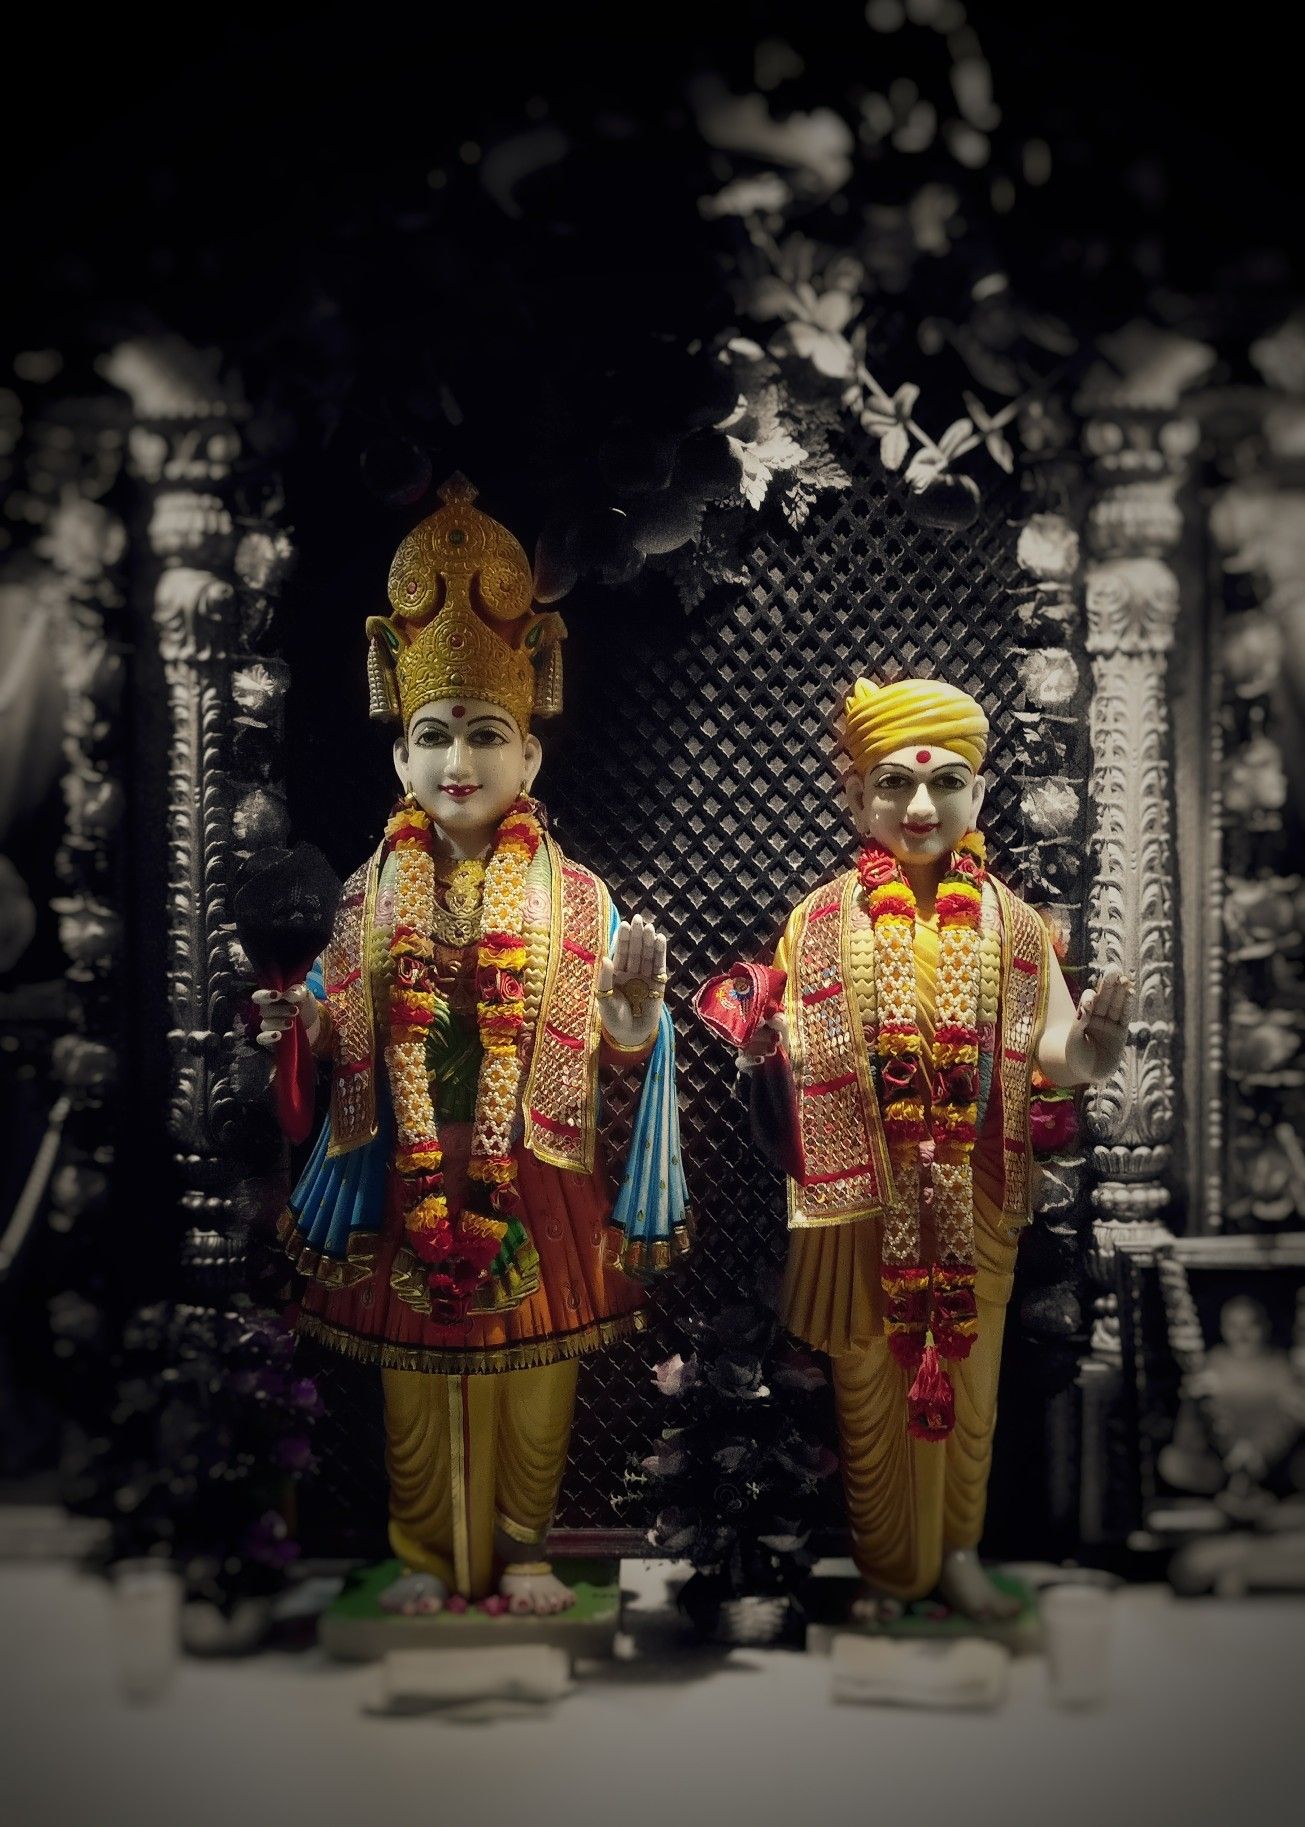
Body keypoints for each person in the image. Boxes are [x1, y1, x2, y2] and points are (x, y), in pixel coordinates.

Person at [255, 475, 687, 1617]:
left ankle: (525, 1551)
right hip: (405, 1169)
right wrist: (302, 1026)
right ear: (400, 759)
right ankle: (422, 1557)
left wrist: (638, 1016)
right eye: (433, 735)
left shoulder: (580, 899)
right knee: (412, 1386)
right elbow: (333, 1022)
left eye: (486, 735)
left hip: (533, 1168)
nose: (459, 760)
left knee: (536, 1384)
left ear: (530, 759)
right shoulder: (366, 895)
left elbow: (624, 1048)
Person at [740, 677, 1131, 1620]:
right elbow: (786, 1047)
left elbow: (1053, 1052)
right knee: (869, 1396)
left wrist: (1090, 1050)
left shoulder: (1014, 924)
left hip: (974, 1197)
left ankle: (954, 1554)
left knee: (971, 1392)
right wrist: (763, 1042)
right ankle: (888, 1571)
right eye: (893, 785)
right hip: (866, 1201)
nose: (919, 807)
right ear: (854, 796)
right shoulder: (820, 919)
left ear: (980, 796)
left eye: (944, 783)